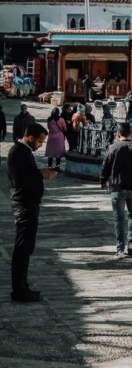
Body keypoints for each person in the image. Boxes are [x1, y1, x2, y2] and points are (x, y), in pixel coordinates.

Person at [7, 123, 58, 302]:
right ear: (30, 137)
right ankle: (18, 290)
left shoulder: (24, 152)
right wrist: (41, 175)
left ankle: (23, 285)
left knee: (27, 247)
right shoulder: (17, 152)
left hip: (29, 204)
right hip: (24, 205)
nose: (40, 145)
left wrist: (39, 173)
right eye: (39, 141)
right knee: (22, 248)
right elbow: (20, 179)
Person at [100, 123, 132, 258]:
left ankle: (120, 248)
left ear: (118, 134)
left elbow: (105, 167)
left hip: (117, 188)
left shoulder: (113, 148)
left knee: (119, 219)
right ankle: (131, 244)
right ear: (130, 134)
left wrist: (103, 181)